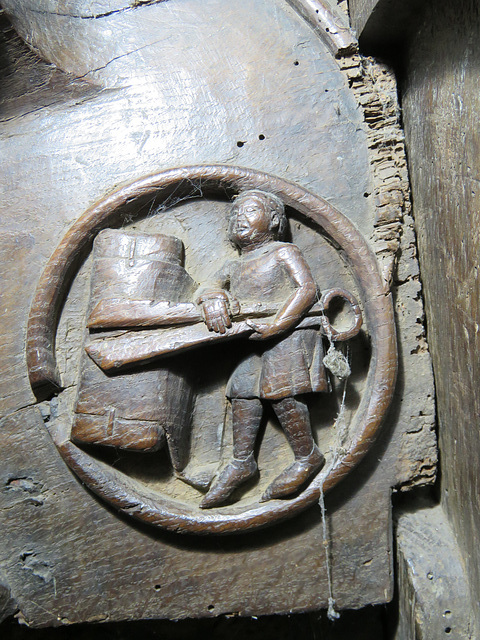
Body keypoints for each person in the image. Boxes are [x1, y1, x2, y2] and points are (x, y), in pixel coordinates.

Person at [197, 189, 327, 508]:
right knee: (242, 390)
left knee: (280, 391)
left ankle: (307, 456)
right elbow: (207, 287)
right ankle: (242, 463)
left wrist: (278, 325)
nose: (238, 216)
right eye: (234, 214)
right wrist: (214, 299)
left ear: (273, 220)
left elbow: (307, 289)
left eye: (249, 210)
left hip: (288, 334)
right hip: (253, 338)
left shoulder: (283, 251)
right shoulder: (233, 265)